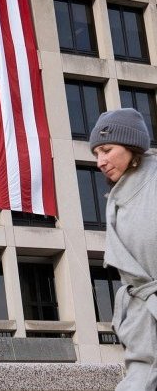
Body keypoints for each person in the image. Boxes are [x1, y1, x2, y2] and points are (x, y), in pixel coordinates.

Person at [91, 108, 157, 390]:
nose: (100, 162)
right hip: (142, 318)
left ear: (131, 146)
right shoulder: (119, 195)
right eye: (96, 153)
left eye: (106, 149)